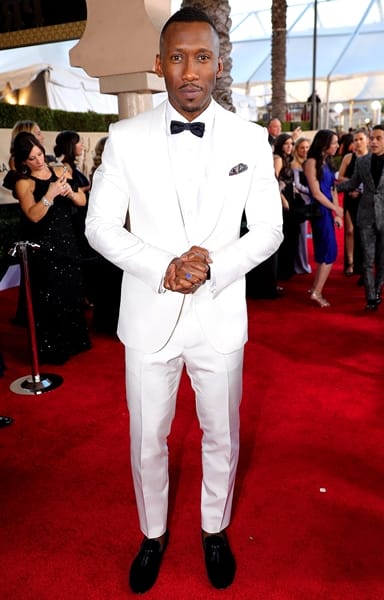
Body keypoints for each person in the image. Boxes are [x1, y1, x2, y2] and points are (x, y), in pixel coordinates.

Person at [85, 7, 283, 594]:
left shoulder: (250, 139)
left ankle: (213, 527)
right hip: (149, 316)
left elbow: (268, 230)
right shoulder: (124, 138)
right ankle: (152, 533)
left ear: (218, 65)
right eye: (177, 57)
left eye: (201, 58)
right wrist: (161, 268)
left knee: (222, 433)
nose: (189, 70)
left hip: (219, 317)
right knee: (147, 437)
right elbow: (100, 226)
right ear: (159, 64)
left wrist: (213, 267)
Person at [13, 132, 91, 364]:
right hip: (44, 248)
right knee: (50, 297)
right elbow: (33, 216)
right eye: (32, 158)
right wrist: (50, 194)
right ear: (23, 161)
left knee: (71, 292)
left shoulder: (60, 172)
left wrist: (71, 192)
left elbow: (82, 201)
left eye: (39, 154)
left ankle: (75, 342)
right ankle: (53, 349)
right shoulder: (23, 183)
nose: (38, 160)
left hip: (68, 240)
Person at [337, 124, 384, 311]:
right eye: (372, 138)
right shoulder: (362, 162)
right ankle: (371, 297)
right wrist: (331, 188)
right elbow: (353, 183)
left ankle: (378, 289)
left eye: (378, 138)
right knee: (366, 258)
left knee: (381, 260)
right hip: (365, 215)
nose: (373, 141)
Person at [304, 129, 343, 307]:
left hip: (327, 210)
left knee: (325, 251)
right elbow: (316, 193)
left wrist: (336, 212)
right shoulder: (311, 162)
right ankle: (317, 292)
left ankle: (315, 289)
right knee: (328, 252)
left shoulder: (327, 161)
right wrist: (335, 208)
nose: (336, 146)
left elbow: (332, 189)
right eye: (334, 142)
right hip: (320, 211)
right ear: (325, 143)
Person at [337, 128, 369, 277]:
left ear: (367, 141)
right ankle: (350, 262)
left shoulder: (373, 158)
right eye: (355, 140)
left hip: (366, 199)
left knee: (364, 232)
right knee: (349, 231)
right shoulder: (348, 158)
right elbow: (340, 177)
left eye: (361, 139)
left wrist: (361, 188)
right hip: (350, 197)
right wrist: (353, 184)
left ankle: (363, 264)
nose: (358, 142)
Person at [273, 133, 301, 280]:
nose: (290, 146)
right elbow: (273, 181)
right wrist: (282, 199)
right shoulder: (277, 159)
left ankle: (287, 269)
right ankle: (281, 272)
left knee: (291, 233)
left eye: (291, 143)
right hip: (281, 198)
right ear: (280, 145)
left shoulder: (288, 158)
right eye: (286, 144)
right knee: (285, 234)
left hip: (289, 196)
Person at [291, 136, 312, 274]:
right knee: (300, 235)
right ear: (297, 149)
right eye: (302, 147)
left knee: (304, 235)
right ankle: (300, 266)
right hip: (301, 202)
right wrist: (312, 191)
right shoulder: (295, 165)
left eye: (307, 147)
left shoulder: (308, 162)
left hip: (309, 201)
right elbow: (297, 185)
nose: (305, 150)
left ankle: (303, 264)